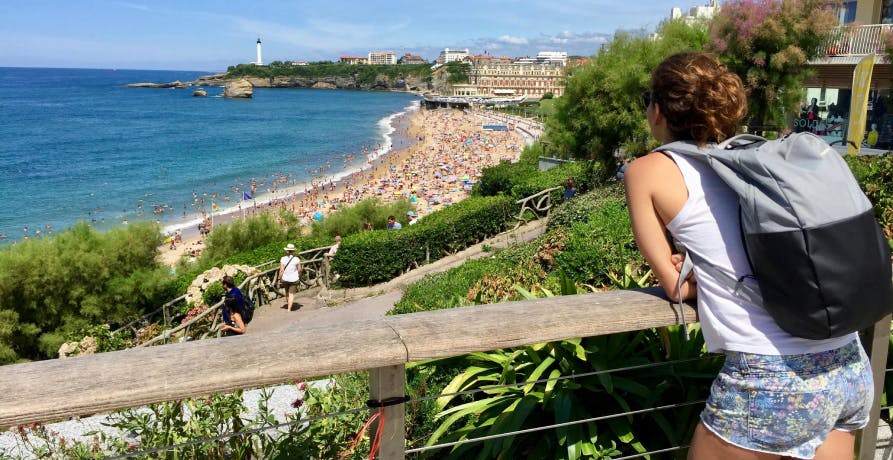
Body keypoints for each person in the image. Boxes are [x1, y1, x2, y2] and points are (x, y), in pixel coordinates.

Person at [624, 52, 873, 460]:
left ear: (659, 110)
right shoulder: (764, 160)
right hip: (847, 362)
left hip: (771, 379)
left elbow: (674, 286)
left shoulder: (648, 170)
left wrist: (689, 272)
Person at [279, 243, 302, 310]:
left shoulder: (282, 259)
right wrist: (299, 277)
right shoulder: (296, 259)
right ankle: (289, 309)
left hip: (285, 279)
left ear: (287, 251)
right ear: (293, 251)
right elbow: (299, 270)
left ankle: (288, 304)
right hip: (294, 279)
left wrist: (279, 278)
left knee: (287, 293)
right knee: (291, 294)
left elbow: (281, 270)